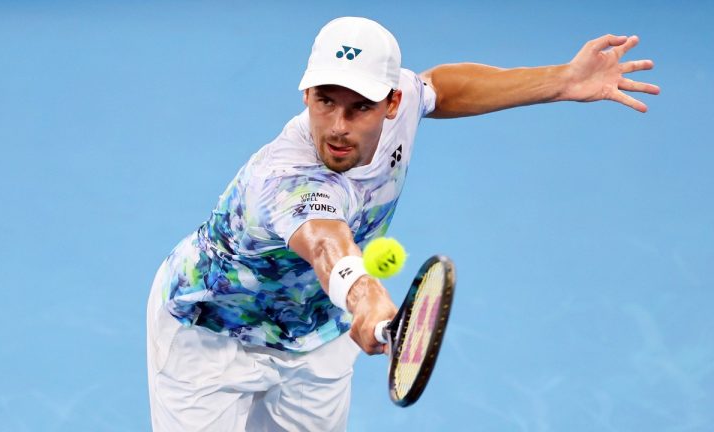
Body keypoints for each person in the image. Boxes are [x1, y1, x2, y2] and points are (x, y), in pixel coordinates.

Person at [146, 16, 659, 431]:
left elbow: (439, 87)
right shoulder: (285, 179)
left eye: (360, 107)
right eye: (325, 101)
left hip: (315, 331)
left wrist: (560, 81)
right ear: (306, 95)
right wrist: (365, 297)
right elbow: (328, 245)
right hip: (212, 333)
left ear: (392, 103)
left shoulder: (404, 99)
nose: (339, 127)